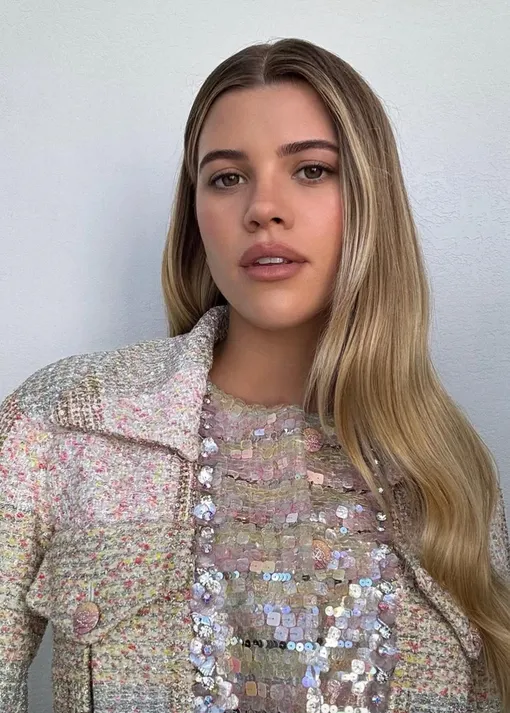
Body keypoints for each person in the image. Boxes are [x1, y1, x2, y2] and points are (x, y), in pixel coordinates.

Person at [0, 37, 509, 713]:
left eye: (312, 170)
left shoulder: (450, 474)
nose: (263, 207)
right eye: (227, 177)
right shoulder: (65, 424)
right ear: (196, 216)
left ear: (370, 200)